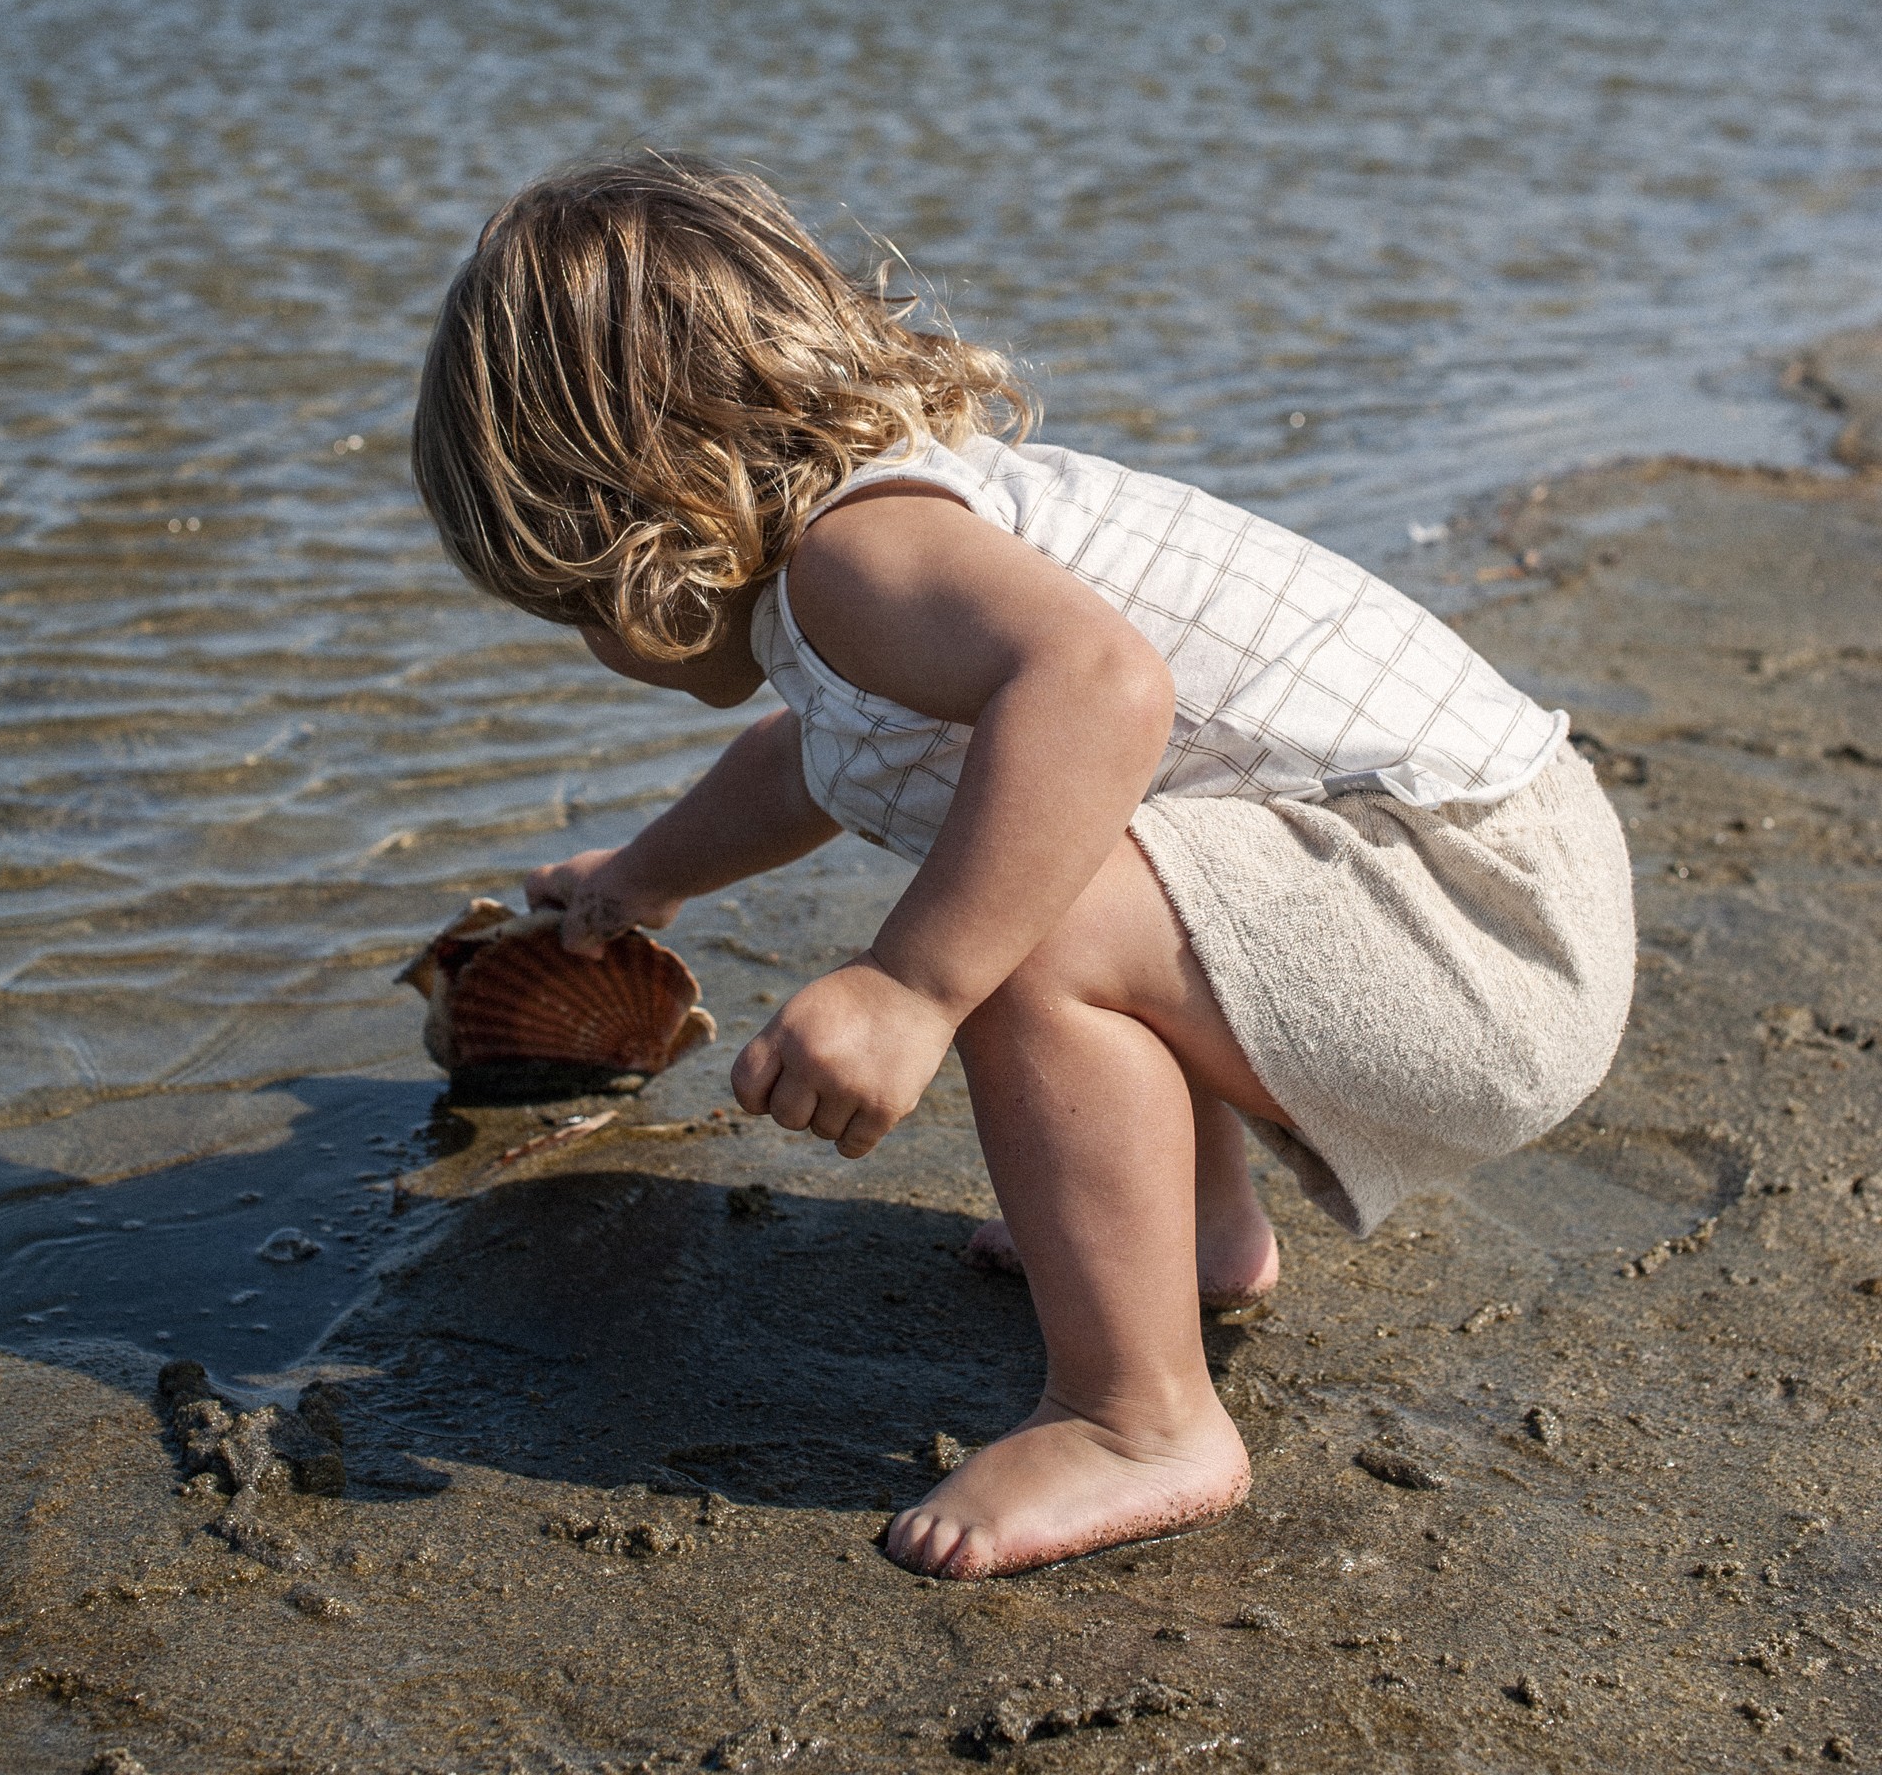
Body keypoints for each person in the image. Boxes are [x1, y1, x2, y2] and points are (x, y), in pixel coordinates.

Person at [411, 154, 1635, 1582]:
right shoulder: (887, 555)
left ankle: (1137, 1420)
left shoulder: (857, 560)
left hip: (1479, 926)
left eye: (573, 607)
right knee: (1085, 867)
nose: (594, 646)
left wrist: (911, 987)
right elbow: (809, 764)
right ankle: (1195, 1235)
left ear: (637, 534)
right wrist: (642, 875)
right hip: (1497, 890)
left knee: (1026, 924)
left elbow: (1101, 686)